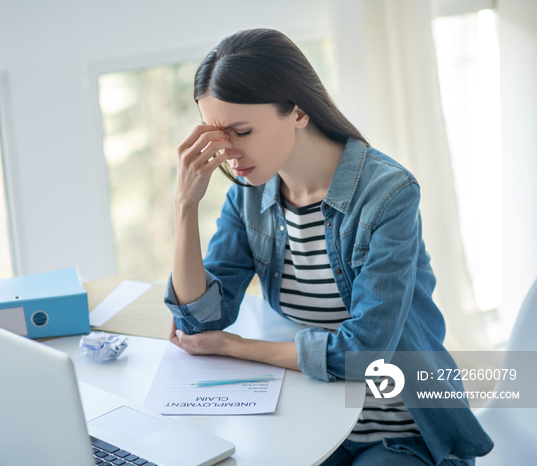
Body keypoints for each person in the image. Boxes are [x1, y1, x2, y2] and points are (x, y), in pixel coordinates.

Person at [164, 28, 492, 465]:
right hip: (309, 418)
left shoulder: (388, 195)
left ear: (297, 112)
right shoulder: (249, 197)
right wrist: (185, 207)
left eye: (241, 131)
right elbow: (200, 323)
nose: (229, 154)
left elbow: (363, 353)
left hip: (403, 430)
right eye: (218, 137)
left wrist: (235, 346)